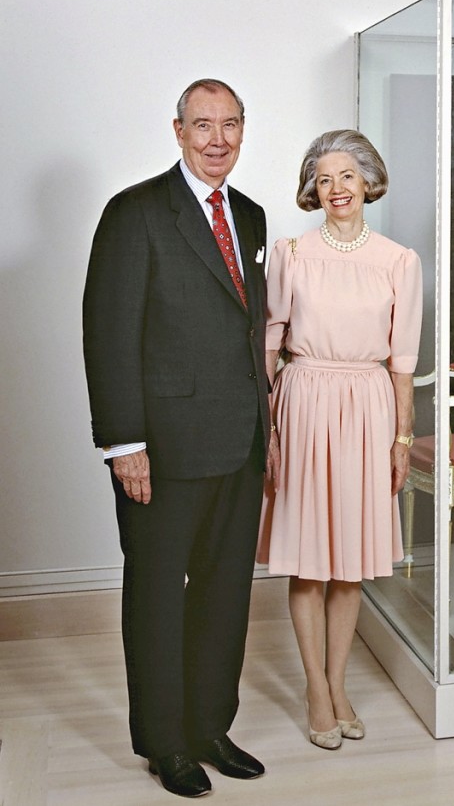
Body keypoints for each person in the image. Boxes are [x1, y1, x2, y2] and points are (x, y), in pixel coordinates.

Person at [83, 79, 275, 798]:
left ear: (242, 129)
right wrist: (122, 442)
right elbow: (107, 335)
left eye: (230, 124)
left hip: (240, 442)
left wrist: (269, 426)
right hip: (160, 450)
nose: (217, 138)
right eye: (203, 125)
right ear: (177, 130)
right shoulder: (135, 213)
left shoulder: (251, 216)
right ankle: (166, 742)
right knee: (159, 595)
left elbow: (248, 331)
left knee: (225, 595)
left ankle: (209, 726)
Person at [256, 129, 422, 751]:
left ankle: (339, 681)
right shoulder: (290, 254)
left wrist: (403, 436)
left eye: (347, 177)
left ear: (368, 182)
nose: (336, 189)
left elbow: (402, 359)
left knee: (349, 564)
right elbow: (269, 344)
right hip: (302, 403)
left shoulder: (398, 260)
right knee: (307, 560)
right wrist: (269, 426)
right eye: (324, 179)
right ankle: (315, 690)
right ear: (311, 189)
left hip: (368, 408)